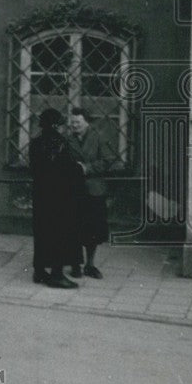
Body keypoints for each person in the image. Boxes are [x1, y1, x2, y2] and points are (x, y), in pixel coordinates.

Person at [28, 109, 83, 289]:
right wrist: (78, 170)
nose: (63, 127)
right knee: (60, 233)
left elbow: (34, 168)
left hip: (41, 194)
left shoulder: (35, 143)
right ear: (56, 125)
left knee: (42, 231)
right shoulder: (60, 143)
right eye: (60, 123)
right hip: (59, 195)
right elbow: (68, 169)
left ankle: (39, 271)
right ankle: (57, 275)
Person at [66, 107, 115, 279]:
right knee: (73, 227)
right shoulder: (67, 139)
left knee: (93, 229)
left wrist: (87, 168)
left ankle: (90, 264)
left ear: (86, 122)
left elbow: (109, 160)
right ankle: (75, 265)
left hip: (94, 189)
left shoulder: (98, 137)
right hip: (73, 190)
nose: (74, 125)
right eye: (72, 122)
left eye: (78, 122)